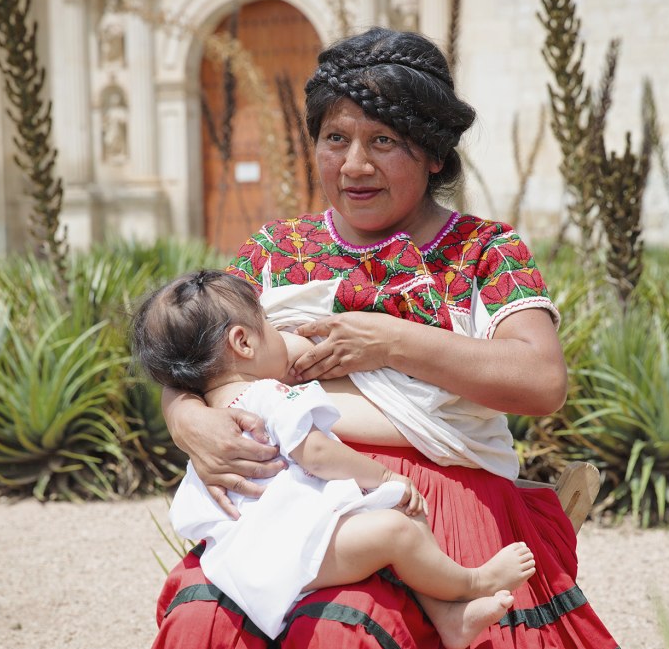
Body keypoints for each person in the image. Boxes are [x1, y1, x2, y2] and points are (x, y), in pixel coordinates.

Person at [152, 27, 618, 649]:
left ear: (432, 153)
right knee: (202, 623)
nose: (354, 166)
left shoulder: (483, 252)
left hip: (432, 501)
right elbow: (198, 361)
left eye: (383, 142)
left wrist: (391, 342)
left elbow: (541, 382)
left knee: (346, 631)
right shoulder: (275, 251)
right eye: (335, 139)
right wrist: (187, 418)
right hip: (289, 500)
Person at [132, 270, 537, 647]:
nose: (280, 334)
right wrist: (384, 477)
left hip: (241, 560)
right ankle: (471, 582)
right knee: (399, 527)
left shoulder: (214, 423)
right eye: (271, 326)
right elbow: (317, 454)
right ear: (243, 342)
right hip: (292, 551)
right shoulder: (268, 396)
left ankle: (450, 619)